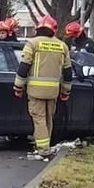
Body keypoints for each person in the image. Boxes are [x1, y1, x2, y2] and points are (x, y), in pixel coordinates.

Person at [13, 15, 72, 160]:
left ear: (38, 29)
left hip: (35, 90)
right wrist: (66, 90)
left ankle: (43, 149)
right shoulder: (62, 46)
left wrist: (18, 86)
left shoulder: (32, 44)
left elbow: (24, 67)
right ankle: (45, 145)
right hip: (53, 91)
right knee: (48, 119)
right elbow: (67, 72)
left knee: (39, 119)